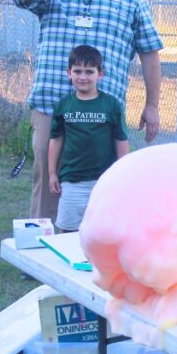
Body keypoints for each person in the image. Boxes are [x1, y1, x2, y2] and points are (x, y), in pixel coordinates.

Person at [12, 0, 162, 224]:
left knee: (102, 186)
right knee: (49, 183)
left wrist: (152, 105)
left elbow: (149, 52)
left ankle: (96, 255)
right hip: (52, 105)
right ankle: (44, 258)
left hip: (102, 112)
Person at [48, 45, 129, 232]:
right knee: (68, 231)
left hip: (103, 180)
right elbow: (56, 139)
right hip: (72, 180)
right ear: (69, 73)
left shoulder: (111, 105)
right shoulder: (64, 105)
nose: (82, 77)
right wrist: (53, 173)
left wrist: (122, 174)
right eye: (77, 71)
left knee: (104, 231)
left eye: (89, 71)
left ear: (100, 74)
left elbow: (121, 140)